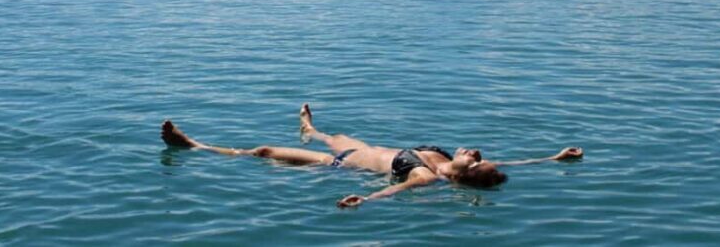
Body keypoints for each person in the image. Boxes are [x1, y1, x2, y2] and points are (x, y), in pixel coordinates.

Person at [161, 104, 583, 208]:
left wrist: (364, 200)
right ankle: (310, 128)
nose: (473, 151)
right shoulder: (450, 165)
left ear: (459, 177)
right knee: (334, 133)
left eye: (473, 159)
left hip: (342, 166)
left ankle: (195, 146)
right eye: (478, 154)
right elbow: (513, 165)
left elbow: (396, 191)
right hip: (363, 149)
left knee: (264, 151)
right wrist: (555, 157)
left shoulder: (427, 178)